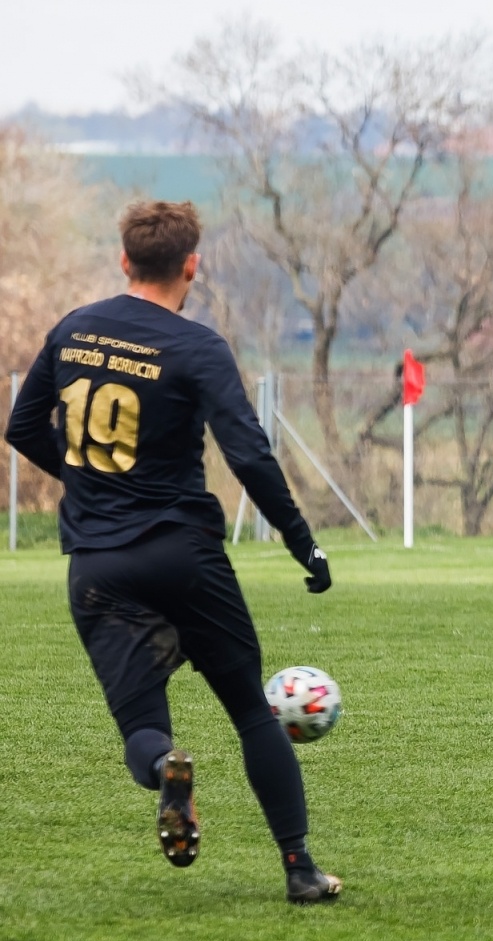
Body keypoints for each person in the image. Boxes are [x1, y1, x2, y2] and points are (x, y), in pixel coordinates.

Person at [6, 200, 343, 901]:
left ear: (124, 260)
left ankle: (167, 771)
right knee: (252, 709)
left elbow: (21, 424)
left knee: (143, 729)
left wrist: (87, 482)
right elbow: (248, 453)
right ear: (192, 264)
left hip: (98, 567)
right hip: (184, 555)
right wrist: (301, 542)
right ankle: (301, 869)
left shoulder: (73, 330)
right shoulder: (197, 348)